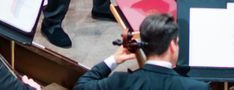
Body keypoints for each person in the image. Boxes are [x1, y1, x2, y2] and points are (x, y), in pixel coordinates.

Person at [75, 12, 209, 90]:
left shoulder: (119, 82)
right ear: (172, 46)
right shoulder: (196, 88)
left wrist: (114, 59)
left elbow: (81, 86)